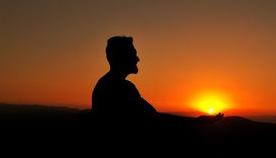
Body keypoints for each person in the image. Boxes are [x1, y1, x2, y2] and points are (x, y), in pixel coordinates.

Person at [92, 36, 223, 125]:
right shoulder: (120, 88)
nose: (138, 59)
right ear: (121, 57)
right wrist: (198, 121)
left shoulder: (108, 84)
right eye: (133, 54)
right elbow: (155, 119)